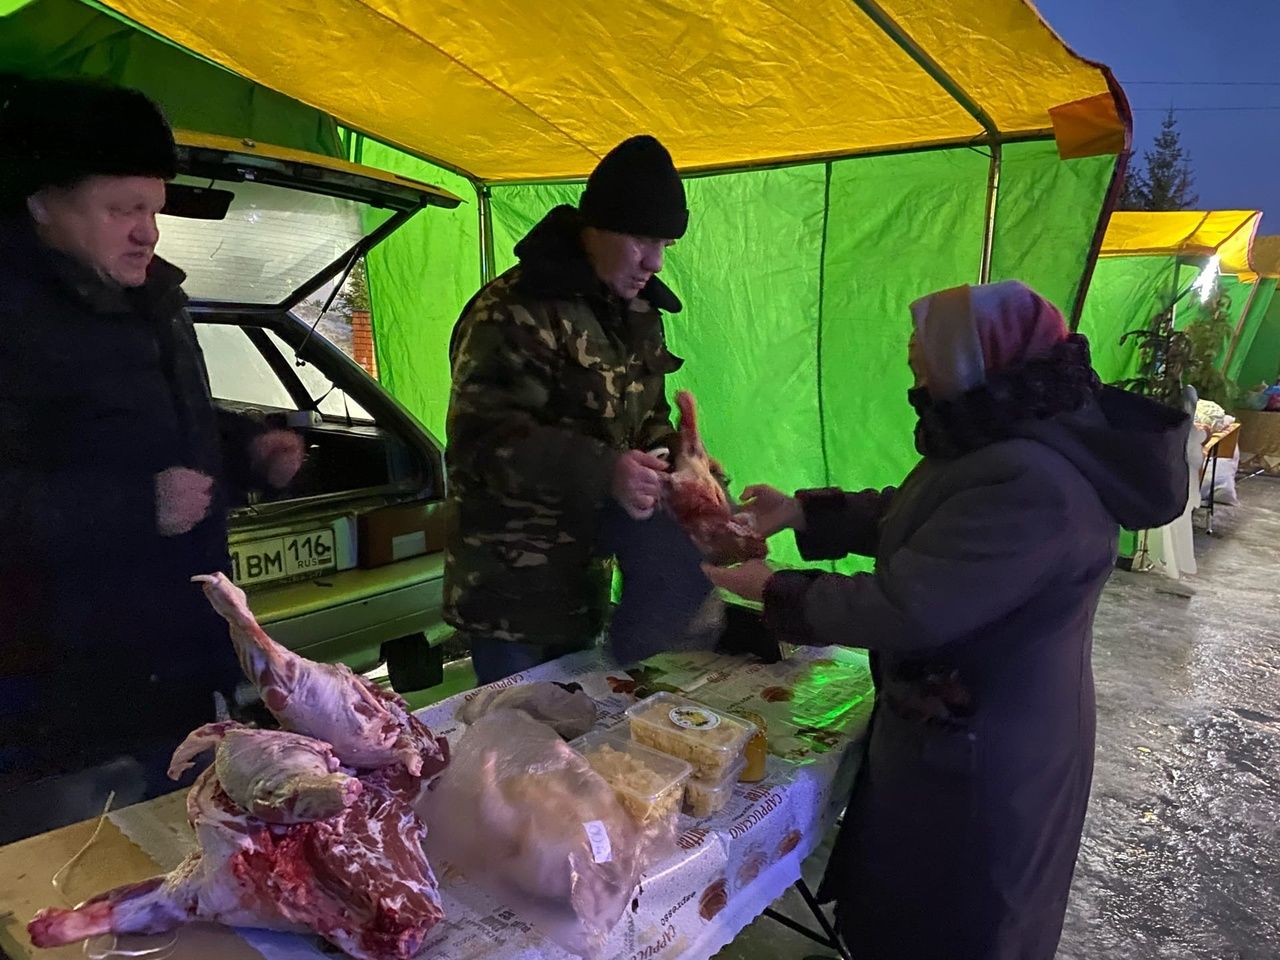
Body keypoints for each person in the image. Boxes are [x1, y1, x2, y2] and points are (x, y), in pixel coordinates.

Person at [707, 281, 1190, 960]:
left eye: (926, 344)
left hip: (987, 756)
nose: (911, 354)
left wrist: (773, 587)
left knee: (955, 924)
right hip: (951, 724)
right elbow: (918, 522)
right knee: (910, 907)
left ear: (980, 357)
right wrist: (801, 512)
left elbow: (910, 604)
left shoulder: (1034, 482)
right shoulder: (992, 437)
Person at [0, 75, 304, 838]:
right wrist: (135, 507)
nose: (148, 233)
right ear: (42, 202)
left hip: (173, 667)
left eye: (153, 210)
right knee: (76, 900)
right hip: (56, 708)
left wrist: (245, 451)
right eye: (122, 210)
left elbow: (168, 435)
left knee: (186, 867)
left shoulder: (150, 299)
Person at [444, 135, 713, 685]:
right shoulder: (514, 310)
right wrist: (605, 470)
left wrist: (678, 466)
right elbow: (481, 441)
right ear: (597, 227)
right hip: (511, 599)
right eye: (642, 239)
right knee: (518, 756)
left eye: (665, 243)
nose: (655, 262)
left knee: (584, 748)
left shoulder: (634, 311)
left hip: (584, 585)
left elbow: (647, 420)